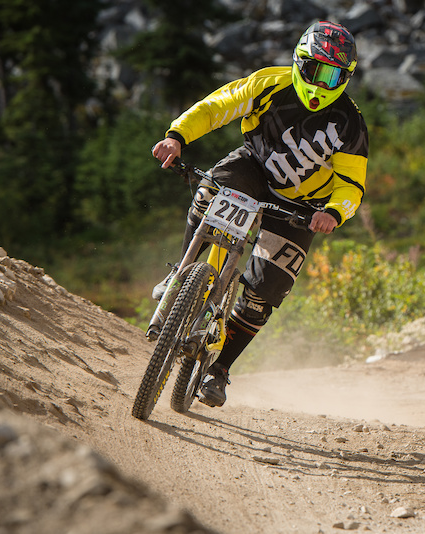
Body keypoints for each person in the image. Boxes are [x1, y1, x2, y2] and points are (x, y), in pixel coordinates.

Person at [150, 21, 368, 408]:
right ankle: (179, 276)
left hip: (303, 207)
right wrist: (177, 135)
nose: (323, 83)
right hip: (253, 169)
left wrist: (334, 212)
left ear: (346, 78)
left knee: (263, 292)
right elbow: (216, 107)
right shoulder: (268, 84)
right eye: (317, 70)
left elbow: (352, 182)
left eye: (334, 75)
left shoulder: (350, 122)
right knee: (207, 193)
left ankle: (219, 371)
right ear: (299, 63)